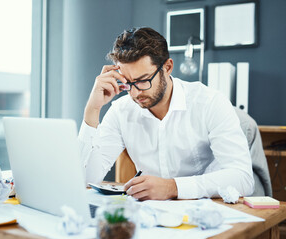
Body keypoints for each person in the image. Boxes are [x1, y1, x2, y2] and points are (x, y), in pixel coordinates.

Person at [78, 27, 254, 200]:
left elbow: (242, 178)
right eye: (128, 83)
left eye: (142, 80)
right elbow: (85, 180)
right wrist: (92, 111)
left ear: (168, 67)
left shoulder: (210, 102)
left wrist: (173, 187)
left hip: (205, 213)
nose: (135, 93)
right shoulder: (120, 111)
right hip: (151, 215)